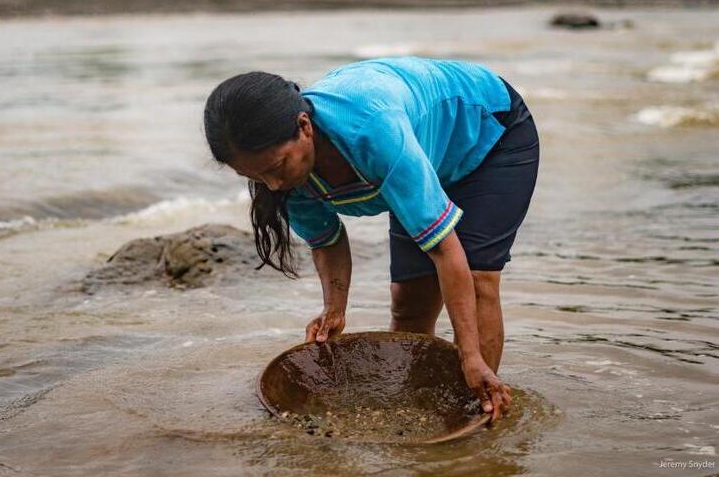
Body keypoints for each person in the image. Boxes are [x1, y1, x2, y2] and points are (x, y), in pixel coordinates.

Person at [203, 56, 539, 423]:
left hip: (488, 132)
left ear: (304, 127)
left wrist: (469, 355)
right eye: (254, 176)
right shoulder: (283, 178)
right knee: (408, 302)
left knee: (477, 280)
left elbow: (444, 250)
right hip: (424, 151)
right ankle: (416, 407)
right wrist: (334, 308)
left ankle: (478, 409)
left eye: (276, 168)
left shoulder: (373, 131)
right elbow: (327, 242)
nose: (273, 185)